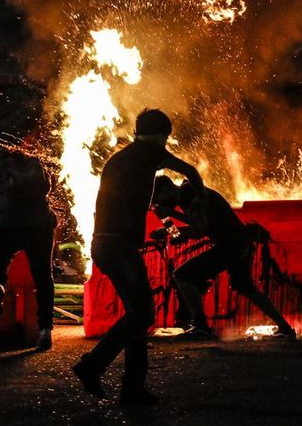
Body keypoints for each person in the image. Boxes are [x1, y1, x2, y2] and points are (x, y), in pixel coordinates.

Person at [72, 109, 207, 406]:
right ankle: (93, 365)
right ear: (163, 135)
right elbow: (191, 171)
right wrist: (203, 200)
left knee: (137, 313)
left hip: (104, 243)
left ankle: (133, 388)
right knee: (143, 314)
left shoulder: (122, 156)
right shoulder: (151, 152)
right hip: (120, 245)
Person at [150, 176, 296, 339]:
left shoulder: (191, 193)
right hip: (237, 242)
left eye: (158, 198)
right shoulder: (185, 199)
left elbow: (200, 226)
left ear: (166, 189)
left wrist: (169, 214)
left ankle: (201, 326)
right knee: (245, 287)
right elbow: (189, 233)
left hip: (231, 244)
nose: (159, 202)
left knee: (182, 275)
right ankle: (285, 327)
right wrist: (165, 222)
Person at [0, 151, 57, 351]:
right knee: (43, 276)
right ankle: (45, 331)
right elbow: (48, 190)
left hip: (7, 226)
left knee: (0, 264)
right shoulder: (36, 165)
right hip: (40, 227)